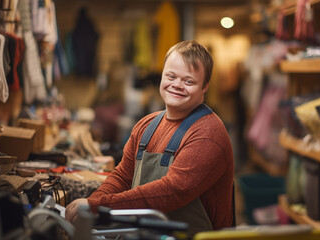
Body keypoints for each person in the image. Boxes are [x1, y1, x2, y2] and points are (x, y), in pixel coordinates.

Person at [65, 40, 234, 236]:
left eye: (188, 81)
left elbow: (172, 191)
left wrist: (96, 206)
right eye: (171, 76)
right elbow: (123, 177)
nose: (176, 85)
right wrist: (91, 206)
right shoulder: (147, 125)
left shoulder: (207, 134)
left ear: (205, 86)